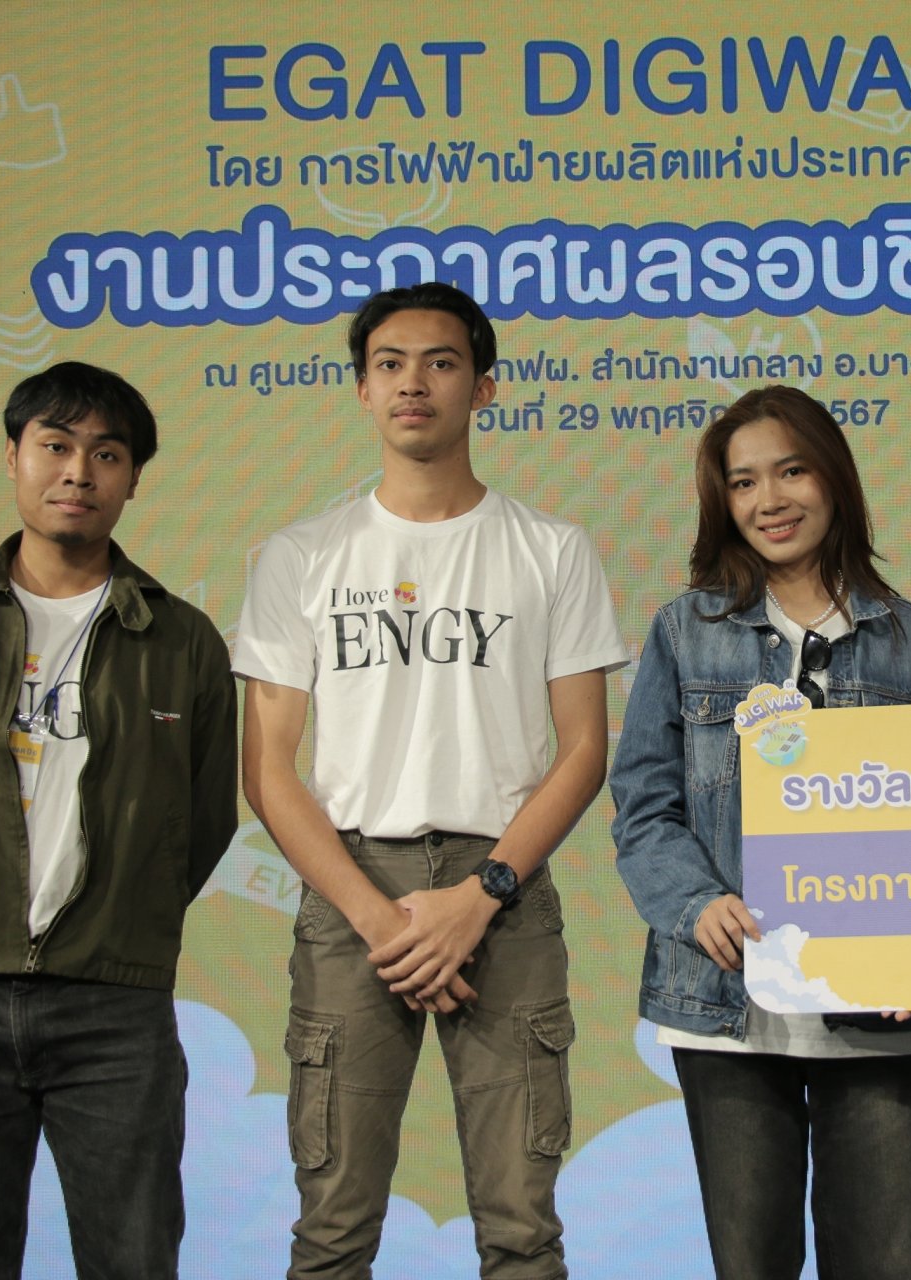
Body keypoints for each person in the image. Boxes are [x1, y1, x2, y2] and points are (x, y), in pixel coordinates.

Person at [235, 282, 627, 1280]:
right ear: (363, 390)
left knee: (523, 1232)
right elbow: (267, 768)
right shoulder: (299, 556)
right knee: (331, 1230)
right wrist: (381, 921)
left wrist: (480, 895)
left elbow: (585, 749)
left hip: (504, 889)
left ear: (484, 388)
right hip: (350, 892)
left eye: (442, 362)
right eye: (390, 364)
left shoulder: (551, 549)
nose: (415, 382)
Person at [0, 361, 239, 1278]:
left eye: (106, 454)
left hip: (116, 1006)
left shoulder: (179, 638)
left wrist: (127, 921)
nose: (77, 472)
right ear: (12, 457)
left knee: (134, 1259)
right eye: (54, 446)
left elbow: (203, 816)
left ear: (133, 478)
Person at [611, 385, 911, 1280]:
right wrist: (695, 904)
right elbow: (643, 805)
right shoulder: (685, 632)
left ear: (834, 477)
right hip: (727, 1009)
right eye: (743, 482)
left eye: (792, 471)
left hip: (876, 1010)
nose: (769, 500)